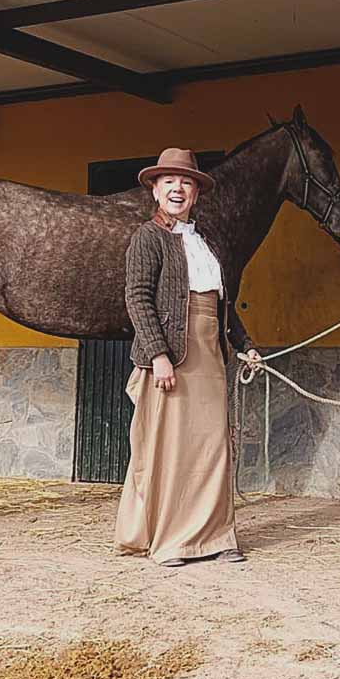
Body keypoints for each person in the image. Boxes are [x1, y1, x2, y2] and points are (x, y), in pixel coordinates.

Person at [115, 147, 261, 567]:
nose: (178, 189)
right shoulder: (148, 238)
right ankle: (173, 541)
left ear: (196, 192)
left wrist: (245, 344)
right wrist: (159, 355)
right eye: (170, 182)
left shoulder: (205, 243)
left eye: (187, 182)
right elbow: (138, 298)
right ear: (156, 190)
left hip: (209, 355)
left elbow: (222, 304)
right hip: (172, 358)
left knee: (213, 446)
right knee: (172, 449)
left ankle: (216, 537)